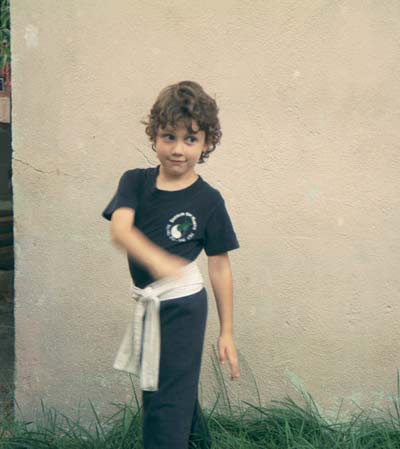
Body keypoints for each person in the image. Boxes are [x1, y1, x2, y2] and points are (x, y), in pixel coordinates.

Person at [101, 80, 240, 449]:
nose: (178, 149)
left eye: (190, 139)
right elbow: (120, 229)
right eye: (169, 137)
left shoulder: (209, 200)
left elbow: (220, 266)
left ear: (206, 143)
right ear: (154, 137)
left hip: (184, 307)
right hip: (152, 303)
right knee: (166, 389)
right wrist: (158, 259)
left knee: (166, 400)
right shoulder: (135, 182)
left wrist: (227, 331)